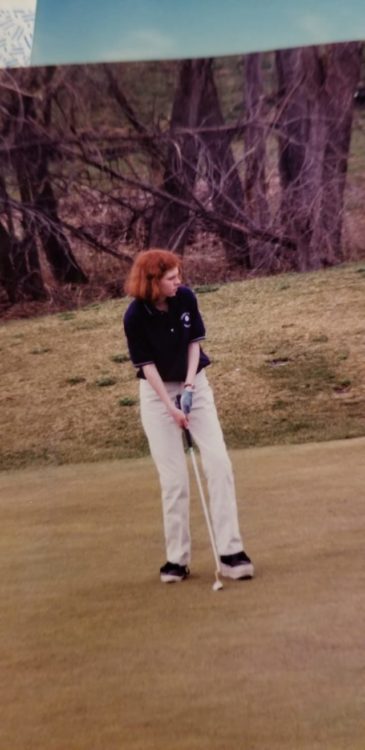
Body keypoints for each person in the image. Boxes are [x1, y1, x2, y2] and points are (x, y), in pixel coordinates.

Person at [123, 248, 254, 584]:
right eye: (171, 277)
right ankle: (176, 560)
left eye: (178, 274)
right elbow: (146, 366)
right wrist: (170, 405)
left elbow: (194, 343)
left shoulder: (186, 299)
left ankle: (231, 552)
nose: (178, 281)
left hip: (195, 384)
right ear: (153, 282)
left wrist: (191, 386)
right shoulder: (134, 316)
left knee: (219, 464)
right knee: (174, 480)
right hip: (157, 396)